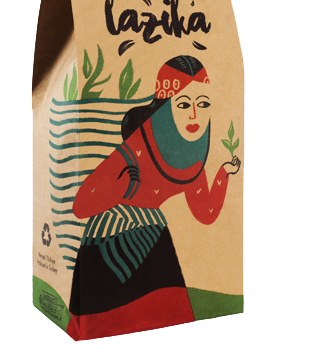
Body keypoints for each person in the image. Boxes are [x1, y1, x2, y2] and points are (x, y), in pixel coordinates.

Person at [66, 55, 241, 341]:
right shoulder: (135, 148)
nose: (194, 116)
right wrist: (122, 188)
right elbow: (81, 205)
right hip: (109, 241)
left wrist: (223, 173)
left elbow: (206, 213)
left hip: (154, 235)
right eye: (183, 104)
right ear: (163, 106)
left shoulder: (191, 156)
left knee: (174, 322)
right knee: (106, 331)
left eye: (203, 104)